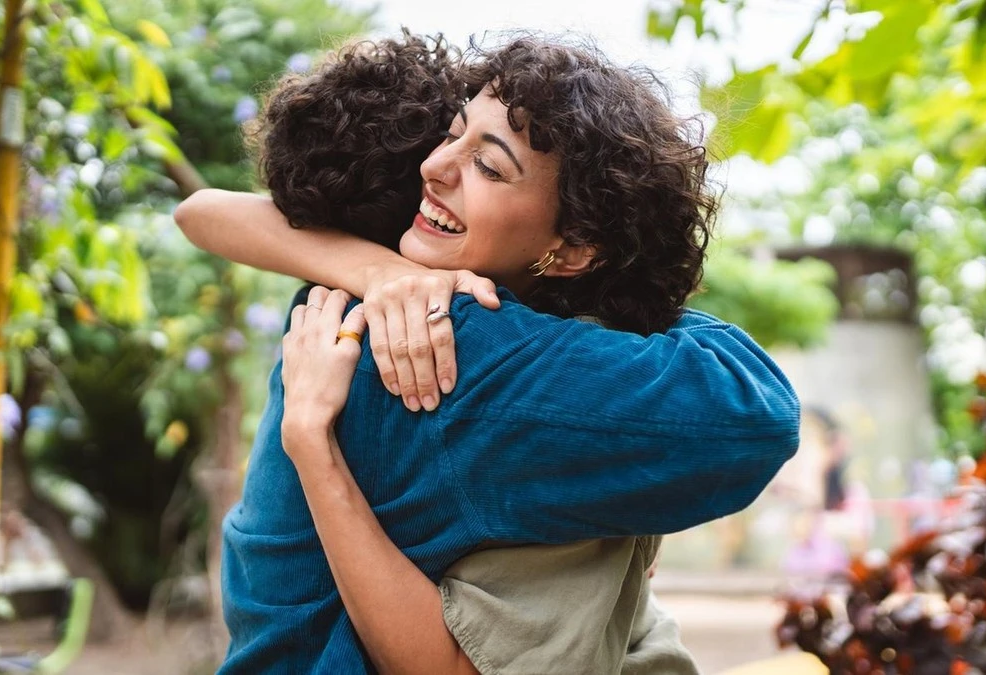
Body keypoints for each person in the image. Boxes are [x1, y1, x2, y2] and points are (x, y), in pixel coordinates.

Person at [175, 33, 799, 674]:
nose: (435, 166)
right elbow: (755, 411)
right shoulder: (449, 344)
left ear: (577, 246)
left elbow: (207, 213)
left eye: (489, 167)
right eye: (452, 134)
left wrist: (373, 268)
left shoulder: (349, 301)